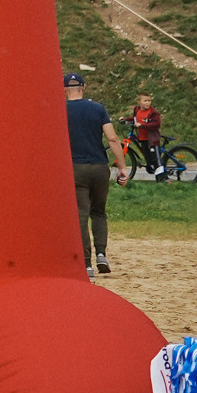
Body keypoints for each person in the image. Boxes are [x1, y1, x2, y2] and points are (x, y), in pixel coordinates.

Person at [65, 71, 127, 276]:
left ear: (65, 90)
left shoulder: (61, 110)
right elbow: (112, 139)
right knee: (99, 212)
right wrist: (122, 168)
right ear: (84, 87)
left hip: (76, 168)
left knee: (81, 214)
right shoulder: (98, 108)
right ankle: (102, 254)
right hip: (100, 166)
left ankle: (87, 264)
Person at [131, 92, 164, 172]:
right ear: (139, 102)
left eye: (149, 101)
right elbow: (135, 119)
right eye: (145, 101)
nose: (148, 103)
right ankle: (151, 168)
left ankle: (163, 179)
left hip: (152, 140)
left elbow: (157, 124)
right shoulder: (137, 110)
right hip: (142, 139)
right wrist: (124, 120)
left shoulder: (153, 113)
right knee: (149, 160)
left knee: (156, 161)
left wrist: (143, 125)